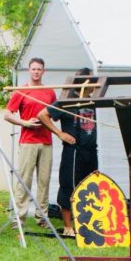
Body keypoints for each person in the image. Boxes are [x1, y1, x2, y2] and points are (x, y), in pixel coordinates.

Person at [4, 58, 69, 226]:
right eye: (33, 69)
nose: (36, 72)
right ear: (29, 71)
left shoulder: (49, 92)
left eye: (39, 69)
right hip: (28, 142)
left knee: (44, 181)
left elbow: (53, 115)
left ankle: (42, 218)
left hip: (46, 141)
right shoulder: (21, 91)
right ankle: (20, 218)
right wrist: (25, 123)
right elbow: (7, 114)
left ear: (43, 71)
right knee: (25, 180)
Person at [49, 68, 99, 237]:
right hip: (74, 151)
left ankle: (83, 224)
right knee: (69, 187)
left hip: (91, 151)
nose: (94, 85)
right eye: (92, 81)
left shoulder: (92, 101)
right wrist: (59, 133)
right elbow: (43, 115)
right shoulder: (66, 100)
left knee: (90, 188)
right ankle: (68, 226)